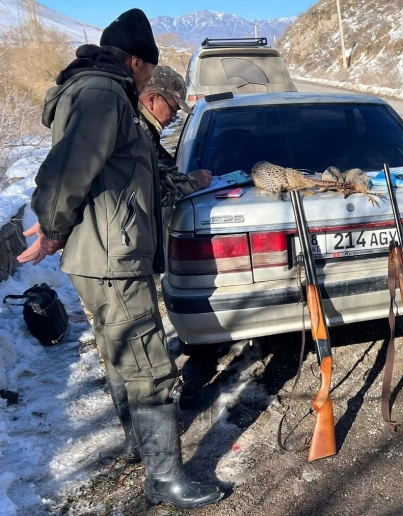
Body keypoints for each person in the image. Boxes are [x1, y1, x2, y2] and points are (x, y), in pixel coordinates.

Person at [17, 9, 223, 510]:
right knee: (149, 362)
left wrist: (56, 226)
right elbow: (68, 169)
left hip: (104, 253)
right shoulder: (105, 92)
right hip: (113, 256)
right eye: (150, 71)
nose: (150, 80)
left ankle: (139, 447)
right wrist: (51, 229)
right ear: (135, 61)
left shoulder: (93, 91)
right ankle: (166, 479)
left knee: (118, 352)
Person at [138, 65, 212, 209]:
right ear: (152, 100)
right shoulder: (135, 134)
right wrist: (192, 182)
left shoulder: (142, 130)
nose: (173, 118)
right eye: (173, 109)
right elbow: (145, 193)